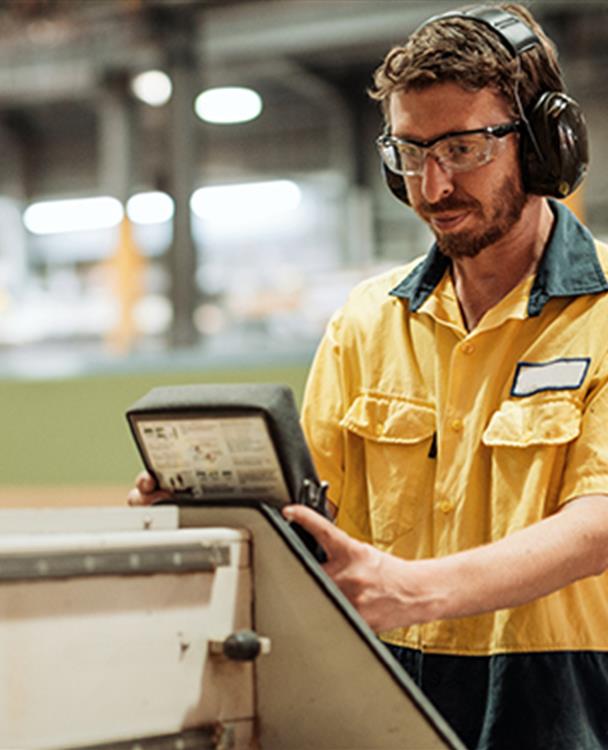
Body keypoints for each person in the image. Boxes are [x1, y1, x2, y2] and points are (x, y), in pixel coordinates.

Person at [130, 4, 608, 749]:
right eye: (411, 152)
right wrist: (218, 505)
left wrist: (413, 590)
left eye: (462, 147)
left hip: (566, 708)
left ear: (546, 143)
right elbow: (317, 526)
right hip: (389, 703)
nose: (433, 185)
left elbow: (599, 522)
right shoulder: (365, 322)